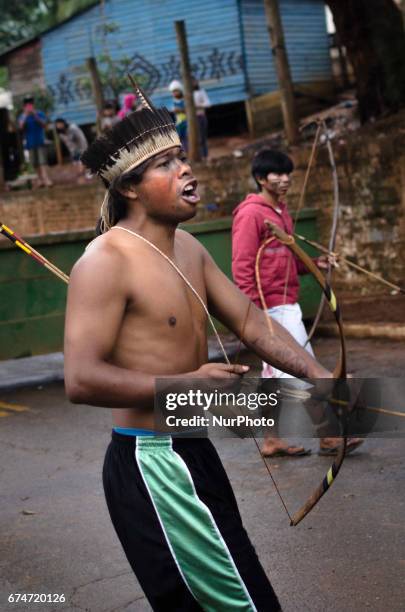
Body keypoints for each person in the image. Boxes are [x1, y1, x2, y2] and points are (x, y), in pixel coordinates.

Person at [64, 88, 332, 611]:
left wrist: (321, 380)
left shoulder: (187, 248)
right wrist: (188, 386)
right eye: (166, 164)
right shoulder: (105, 261)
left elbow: (253, 323)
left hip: (192, 448)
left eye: (182, 157)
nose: (187, 170)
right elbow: (80, 379)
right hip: (152, 462)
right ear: (132, 188)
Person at [232, 148, 363, 457]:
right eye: (277, 174)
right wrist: (255, 314)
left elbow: (290, 257)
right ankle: (328, 436)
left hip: (285, 302)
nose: (285, 179)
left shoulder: (281, 212)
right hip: (269, 307)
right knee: (303, 370)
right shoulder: (251, 213)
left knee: (275, 377)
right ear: (261, 179)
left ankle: (272, 439)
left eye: (288, 173)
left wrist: (316, 264)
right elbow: (242, 265)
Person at [18, 95, 52, 187]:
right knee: (34, 163)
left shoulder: (39, 113)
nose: (29, 106)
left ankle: (46, 179)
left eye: (30, 104)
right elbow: (20, 128)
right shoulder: (22, 116)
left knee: (42, 162)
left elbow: (45, 125)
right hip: (30, 143)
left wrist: (35, 115)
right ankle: (40, 180)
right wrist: (25, 116)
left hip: (40, 141)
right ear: (24, 106)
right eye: (27, 105)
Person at [192, 77, 211, 159]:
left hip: (201, 116)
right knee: (197, 138)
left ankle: (205, 156)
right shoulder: (188, 93)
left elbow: (208, 103)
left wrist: (198, 105)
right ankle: (199, 157)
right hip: (193, 119)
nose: (194, 83)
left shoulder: (201, 92)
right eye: (192, 82)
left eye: (195, 81)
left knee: (203, 137)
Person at [169, 79, 187, 151]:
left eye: (176, 91)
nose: (175, 93)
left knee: (186, 137)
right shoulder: (174, 101)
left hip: (186, 121)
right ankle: (183, 151)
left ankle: (188, 150)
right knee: (180, 138)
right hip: (178, 122)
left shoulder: (184, 100)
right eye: (173, 92)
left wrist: (180, 110)